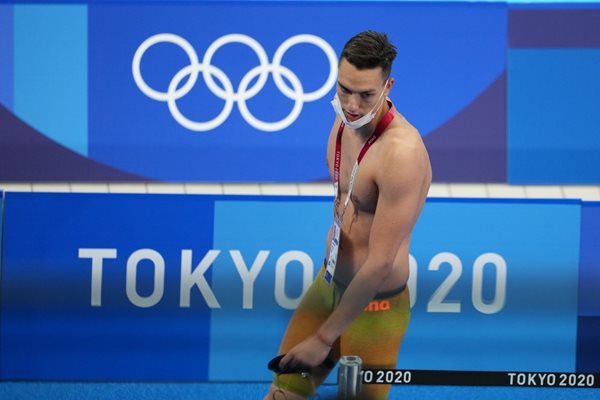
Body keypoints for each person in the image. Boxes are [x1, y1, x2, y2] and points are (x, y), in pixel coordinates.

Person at [265, 30, 432, 400]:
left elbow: (378, 265)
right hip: (328, 287)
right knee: (281, 395)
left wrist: (324, 338)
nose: (353, 104)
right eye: (344, 89)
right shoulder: (344, 121)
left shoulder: (402, 153)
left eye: (366, 94)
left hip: (376, 305)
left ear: (388, 86)